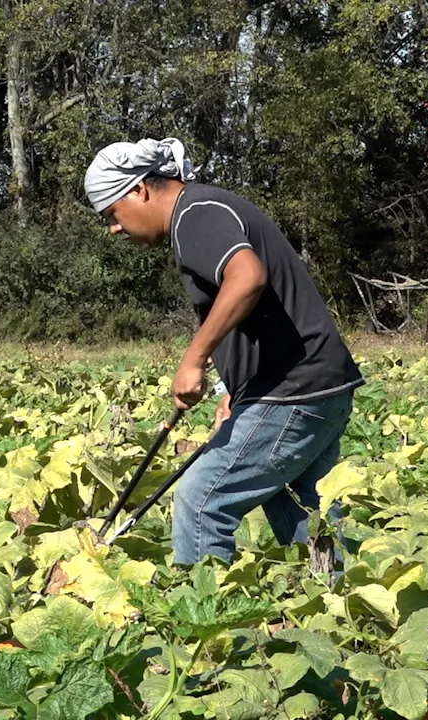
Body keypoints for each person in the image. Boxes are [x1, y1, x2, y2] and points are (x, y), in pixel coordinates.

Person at [84, 137, 364, 565]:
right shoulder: (207, 208)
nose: (114, 229)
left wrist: (193, 360)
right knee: (298, 508)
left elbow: (247, 277)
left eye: (113, 214)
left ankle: (205, 623)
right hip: (318, 384)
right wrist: (236, 392)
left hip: (294, 389)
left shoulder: (194, 215)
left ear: (139, 190)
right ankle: (345, 609)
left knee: (200, 501)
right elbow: (267, 311)